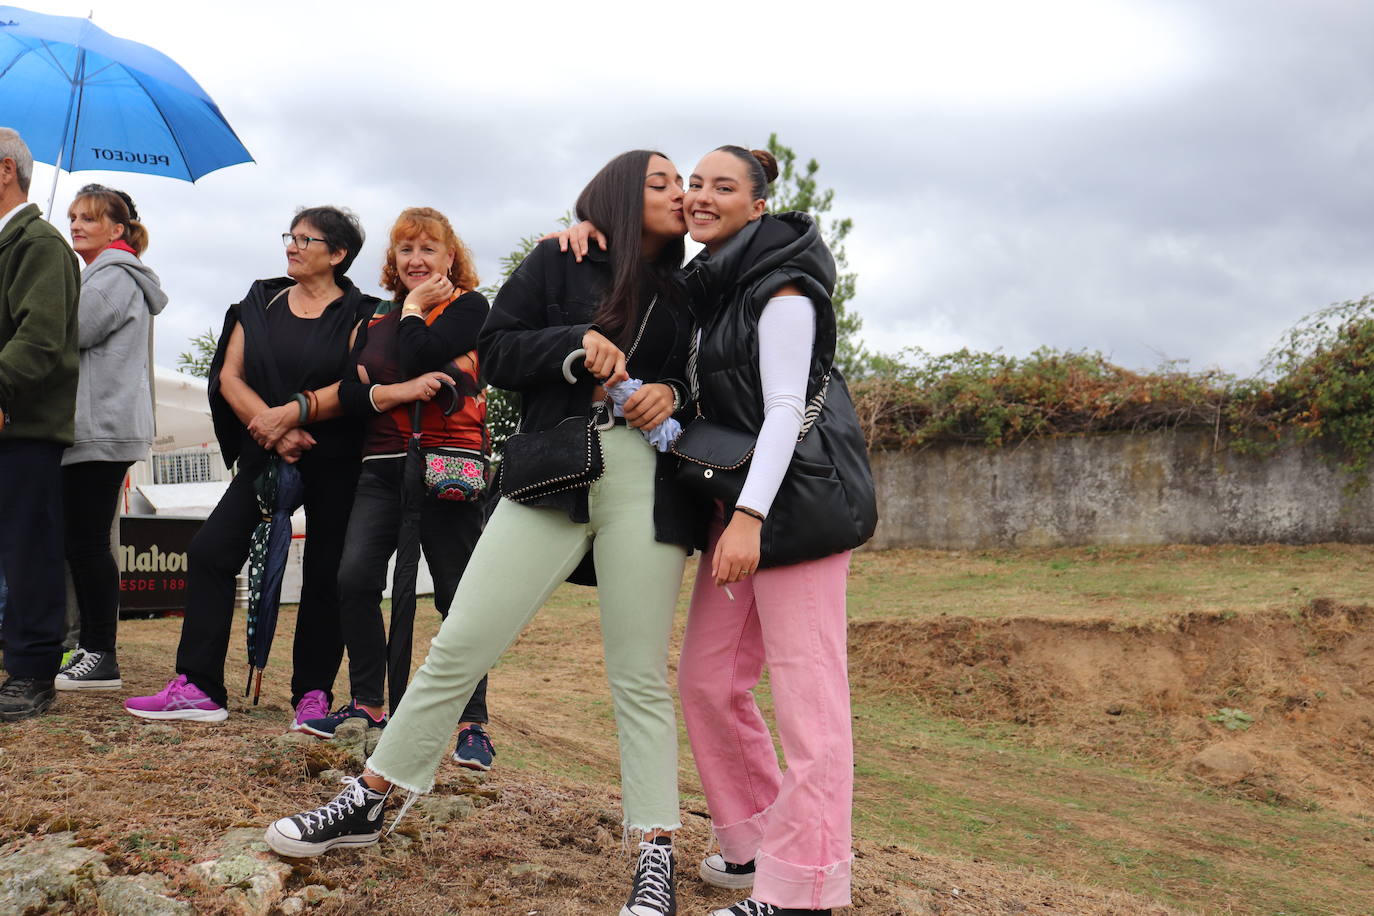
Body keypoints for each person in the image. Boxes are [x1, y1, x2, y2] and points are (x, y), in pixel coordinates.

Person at [263, 150, 704, 916]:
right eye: (663, 182)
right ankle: (370, 797)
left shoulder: (692, 290)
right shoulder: (557, 259)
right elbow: (498, 353)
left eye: (688, 184)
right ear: (620, 198)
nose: (683, 194)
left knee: (638, 673)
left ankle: (653, 853)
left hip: (647, 484)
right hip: (550, 463)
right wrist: (575, 346)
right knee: (462, 640)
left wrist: (670, 390)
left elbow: (706, 382)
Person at [675, 147, 876, 916]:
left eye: (721, 187)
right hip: (741, 507)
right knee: (706, 681)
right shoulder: (713, 290)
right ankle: (759, 842)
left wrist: (751, 517)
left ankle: (807, 886)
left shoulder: (783, 289)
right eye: (694, 184)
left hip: (796, 508)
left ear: (757, 206)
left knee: (809, 701)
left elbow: (787, 410)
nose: (701, 196)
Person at [125, 206, 377, 726]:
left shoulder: (363, 313)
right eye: (291, 236)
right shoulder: (259, 302)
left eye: (307, 240)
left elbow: (353, 388)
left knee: (326, 575)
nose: (292, 246)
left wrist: (290, 416)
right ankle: (199, 687)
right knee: (211, 552)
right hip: (266, 451)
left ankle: (312, 695)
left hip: (334, 458)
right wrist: (273, 427)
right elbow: (229, 377)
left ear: (338, 254)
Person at [297, 206, 498, 771]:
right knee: (355, 577)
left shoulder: (471, 309)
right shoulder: (373, 321)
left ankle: (471, 722)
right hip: (381, 465)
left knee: (458, 595)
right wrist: (402, 370)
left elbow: (411, 356)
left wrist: (408, 328)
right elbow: (357, 395)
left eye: (428, 249)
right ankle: (368, 703)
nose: (416, 259)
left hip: (449, 464)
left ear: (449, 258)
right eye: (406, 249)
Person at [54, 185, 168, 691]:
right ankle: (90, 647)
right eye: (74, 216)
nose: (77, 225)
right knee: (82, 540)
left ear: (118, 230)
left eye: (90, 219)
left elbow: (66, 333)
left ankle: (100, 653)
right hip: (100, 426)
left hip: (100, 428)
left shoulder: (112, 276)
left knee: (86, 542)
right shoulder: (104, 274)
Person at [0, 127, 82, 722]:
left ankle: (32, 673)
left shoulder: (41, 244)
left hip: (23, 426)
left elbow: (41, 339)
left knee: (28, 551)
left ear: (6, 171)